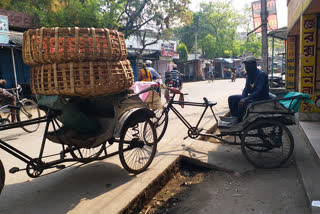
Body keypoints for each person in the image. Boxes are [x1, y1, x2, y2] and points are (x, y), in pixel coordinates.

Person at [228, 56, 270, 123]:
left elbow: (258, 91)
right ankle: (236, 118)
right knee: (231, 99)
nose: (246, 66)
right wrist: (243, 97)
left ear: (254, 64)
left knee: (244, 103)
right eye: (245, 65)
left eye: (248, 64)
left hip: (261, 99)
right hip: (253, 98)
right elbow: (246, 88)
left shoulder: (261, 75)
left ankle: (241, 120)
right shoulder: (249, 75)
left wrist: (245, 99)